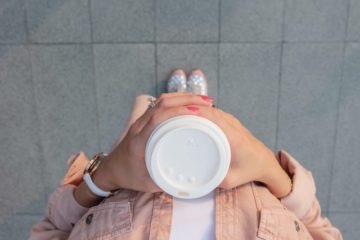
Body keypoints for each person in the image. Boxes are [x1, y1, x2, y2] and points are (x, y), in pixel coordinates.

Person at [29, 69, 342, 240]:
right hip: (223, 155)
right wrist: (266, 165)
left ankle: (169, 100)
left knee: (150, 122)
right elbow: (317, 227)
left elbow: (53, 228)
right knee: (202, 121)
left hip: (136, 163)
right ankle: (192, 101)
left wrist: (105, 175)